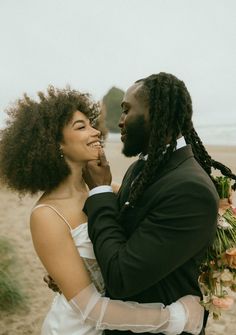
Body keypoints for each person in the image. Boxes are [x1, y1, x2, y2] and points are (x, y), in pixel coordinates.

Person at [0, 86, 204, 335]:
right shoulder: (46, 215)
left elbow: (164, 216)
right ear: (54, 143)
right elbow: (91, 309)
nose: (97, 131)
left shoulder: (107, 191)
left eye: (92, 124)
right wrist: (176, 317)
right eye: (81, 127)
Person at [82, 72, 236, 335]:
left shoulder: (190, 189)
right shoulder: (143, 167)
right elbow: (119, 235)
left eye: (126, 110)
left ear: (156, 113)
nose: (120, 122)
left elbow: (121, 276)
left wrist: (99, 190)